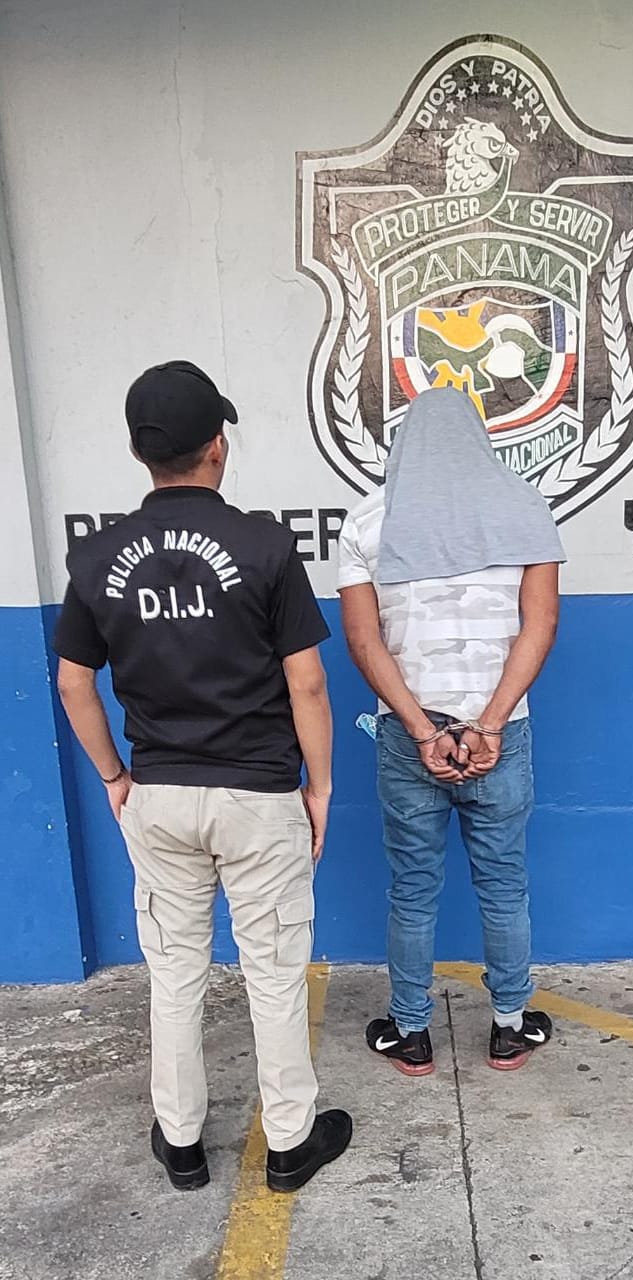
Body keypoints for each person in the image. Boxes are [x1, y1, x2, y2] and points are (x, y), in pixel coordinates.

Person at [53, 360, 351, 1192]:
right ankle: (289, 1144)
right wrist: (320, 786)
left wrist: (114, 776)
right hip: (257, 796)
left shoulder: (95, 557)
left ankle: (180, 1143)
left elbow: (74, 684)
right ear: (217, 446)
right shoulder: (264, 545)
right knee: (274, 972)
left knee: (175, 974)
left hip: (158, 793)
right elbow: (307, 683)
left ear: (139, 453)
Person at [337, 386, 565, 1075]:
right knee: (504, 885)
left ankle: (410, 1032)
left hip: (410, 738)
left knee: (412, 889)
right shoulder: (524, 507)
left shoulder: (367, 520)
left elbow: (363, 641)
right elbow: (540, 626)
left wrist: (419, 729)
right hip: (500, 735)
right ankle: (509, 1027)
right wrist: (489, 725)